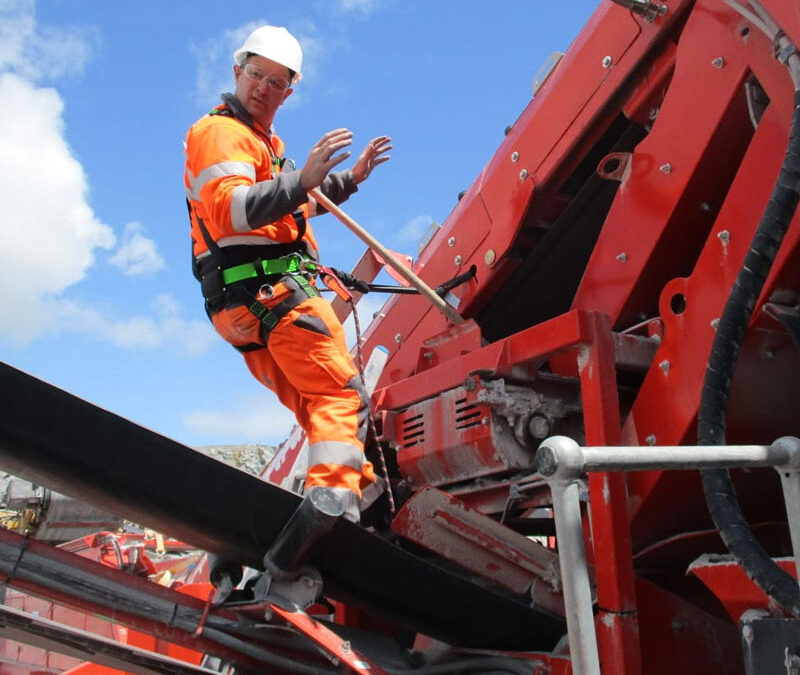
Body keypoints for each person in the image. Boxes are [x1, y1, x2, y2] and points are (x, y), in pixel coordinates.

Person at [184, 25, 391, 523]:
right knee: (340, 394)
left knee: (315, 406)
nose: (263, 88)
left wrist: (350, 179)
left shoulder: (262, 144)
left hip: (242, 305)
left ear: (289, 91)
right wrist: (301, 180)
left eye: (277, 82)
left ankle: (368, 504)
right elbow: (232, 211)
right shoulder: (221, 134)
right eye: (257, 75)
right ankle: (333, 511)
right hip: (273, 293)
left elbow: (293, 209)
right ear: (238, 71)